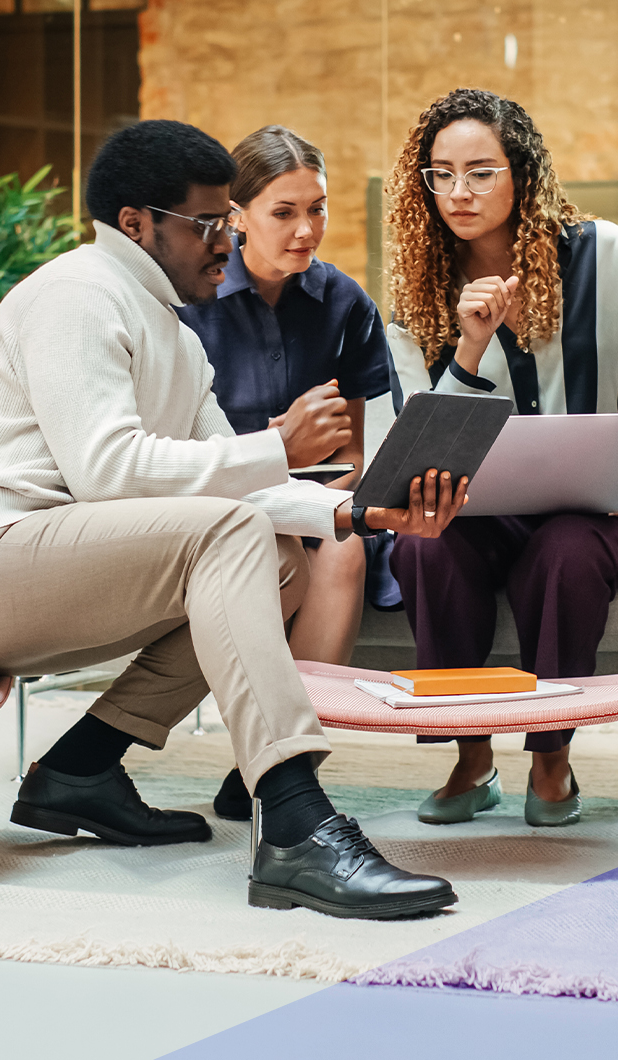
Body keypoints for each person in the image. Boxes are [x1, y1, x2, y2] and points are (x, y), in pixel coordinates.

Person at [0, 119, 470, 920]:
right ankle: (297, 826)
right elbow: (107, 471)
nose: (225, 242)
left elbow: (234, 491)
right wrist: (274, 446)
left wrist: (357, 510)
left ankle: (81, 770)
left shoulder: (171, 331)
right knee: (233, 537)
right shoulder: (76, 294)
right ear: (137, 224)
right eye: (208, 224)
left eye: (228, 221)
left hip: (47, 569)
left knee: (275, 562)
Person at [385, 88, 618, 827]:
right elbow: (423, 443)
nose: (458, 192)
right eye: (440, 173)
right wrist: (470, 344)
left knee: (564, 548)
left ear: (521, 172)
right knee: (425, 551)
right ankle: (470, 752)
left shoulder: (605, 254)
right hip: (490, 512)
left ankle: (552, 757)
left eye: (481, 171)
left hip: (614, 502)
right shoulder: (418, 294)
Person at [171, 125, 390, 822]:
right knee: (276, 550)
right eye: (284, 212)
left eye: (317, 208)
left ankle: (272, 767)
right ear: (235, 216)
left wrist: (331, 494)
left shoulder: (345, 304)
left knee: (343, 544)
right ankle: (278, 763)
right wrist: (272, 449)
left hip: (308, 501)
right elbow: (168, 449)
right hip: (213, 499)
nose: (307, 230)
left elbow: (352, 452)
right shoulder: (188, 304)